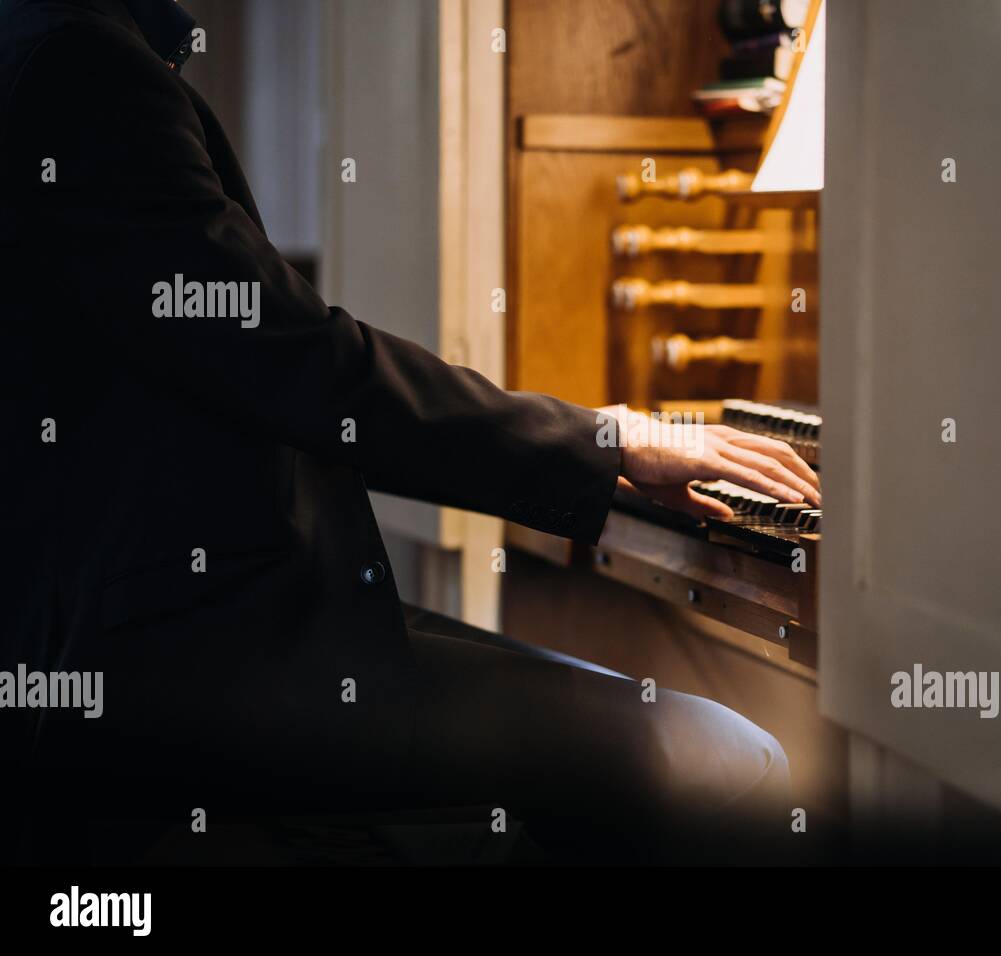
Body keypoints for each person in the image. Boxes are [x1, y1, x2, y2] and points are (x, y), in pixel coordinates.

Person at [0, 0, 820, 861]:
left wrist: (586, 447)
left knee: (604, 711)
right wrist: (597, 441)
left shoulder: (56, 45)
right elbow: (297, 361)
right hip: (177, 663)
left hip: (149, 632)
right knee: (727, 757)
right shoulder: (84, 67)